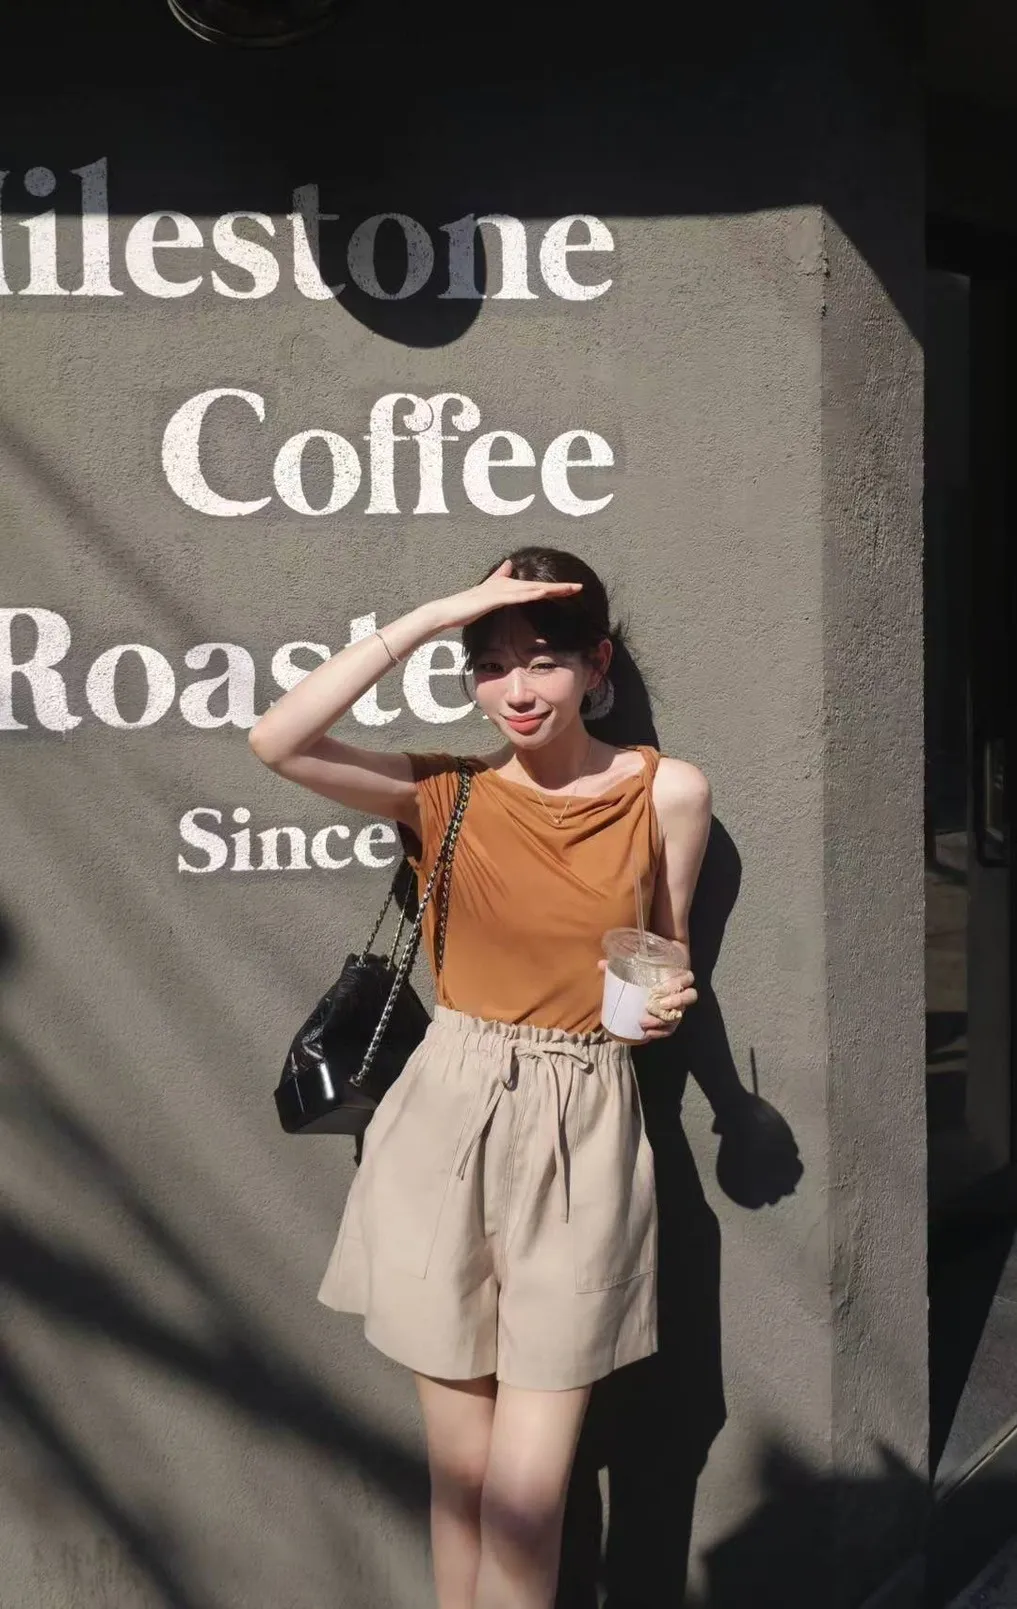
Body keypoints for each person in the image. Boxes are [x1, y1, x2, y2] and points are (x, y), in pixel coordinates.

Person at [248, 547, 712, 1609]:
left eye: (542, 660)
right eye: (490, 664)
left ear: (596, 665)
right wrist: (436, 614)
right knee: (462, 1482)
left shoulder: (668, 791)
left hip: (584, 1126)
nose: (517, 688)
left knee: (526, 1497)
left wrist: (666, 1004)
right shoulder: (443, 793)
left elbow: (665, 949)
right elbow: (277, 739)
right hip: (445, 1117)